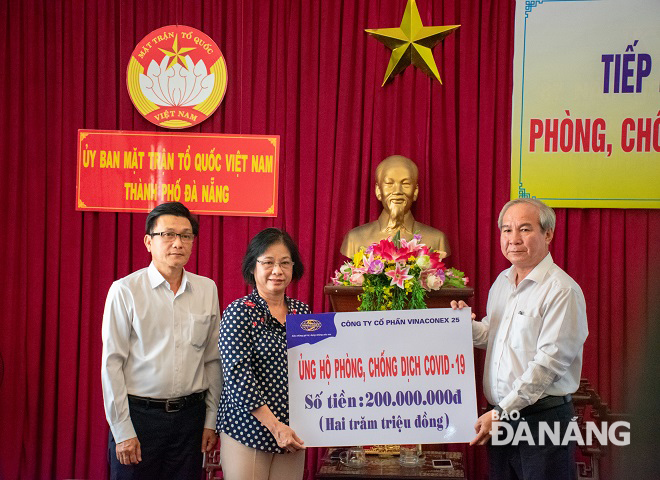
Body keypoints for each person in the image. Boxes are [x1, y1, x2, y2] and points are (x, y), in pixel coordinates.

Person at [452, 198, 588, 480]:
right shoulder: (502, 281)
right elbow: (494, 335)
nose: (513, 239)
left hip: (542, 422)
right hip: (501, 419)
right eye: (506, 230)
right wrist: (461, 325)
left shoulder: (562, 290)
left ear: (548, 234)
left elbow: (547, 366)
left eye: (525, 229)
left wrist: (502, 412)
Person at [101, 202, 221, 479]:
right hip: (140, 420)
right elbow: (112, 365)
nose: (177, 243)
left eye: (185, 235)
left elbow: (212, 359)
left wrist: (210, 421)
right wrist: (122, 430)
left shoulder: (206, 289)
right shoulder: (125, 291)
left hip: (190, 420)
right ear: (148, 241)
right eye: (168, 234)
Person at [216, 228, 309, 480]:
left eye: (285, 263)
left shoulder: (303, 313)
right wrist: (275, 426)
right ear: (253, 267)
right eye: (268, 262)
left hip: (292, 431)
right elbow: (238, 376)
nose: (277, 271)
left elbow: (316, 369)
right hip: (247, 428)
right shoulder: (239, 312)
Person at [340, 155, 450, 257]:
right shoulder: (354, 238)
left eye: (405, 184)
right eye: (389, 183)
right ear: (378, 190)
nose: (397, 191)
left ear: (415, 191)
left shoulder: (437, 239)